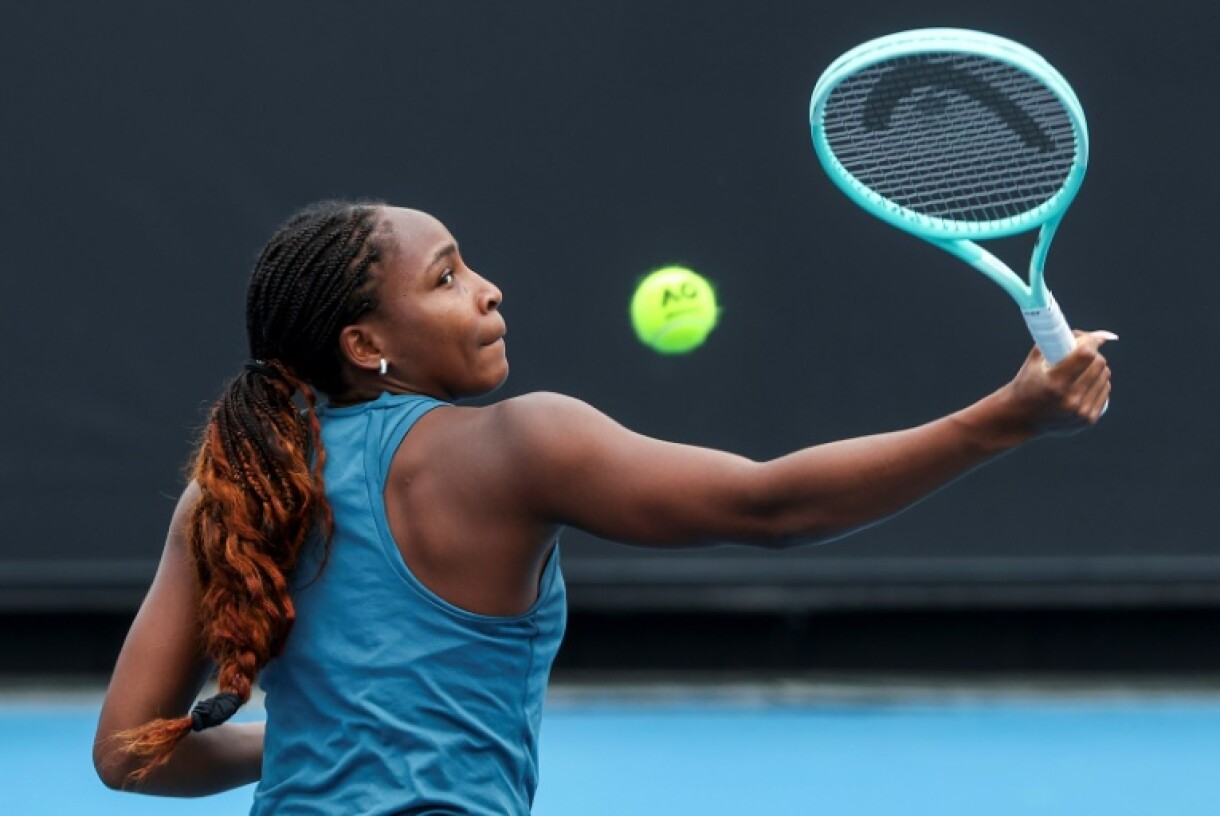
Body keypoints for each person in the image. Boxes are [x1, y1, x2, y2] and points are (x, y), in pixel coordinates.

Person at [92, 200, 1113, 814]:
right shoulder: (518, 444)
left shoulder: (224, 492)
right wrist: (1006, 419)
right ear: (369, 344)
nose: (488, 290)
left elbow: (129, 754)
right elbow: (771, 507)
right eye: (448, 278)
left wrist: (318, 739)